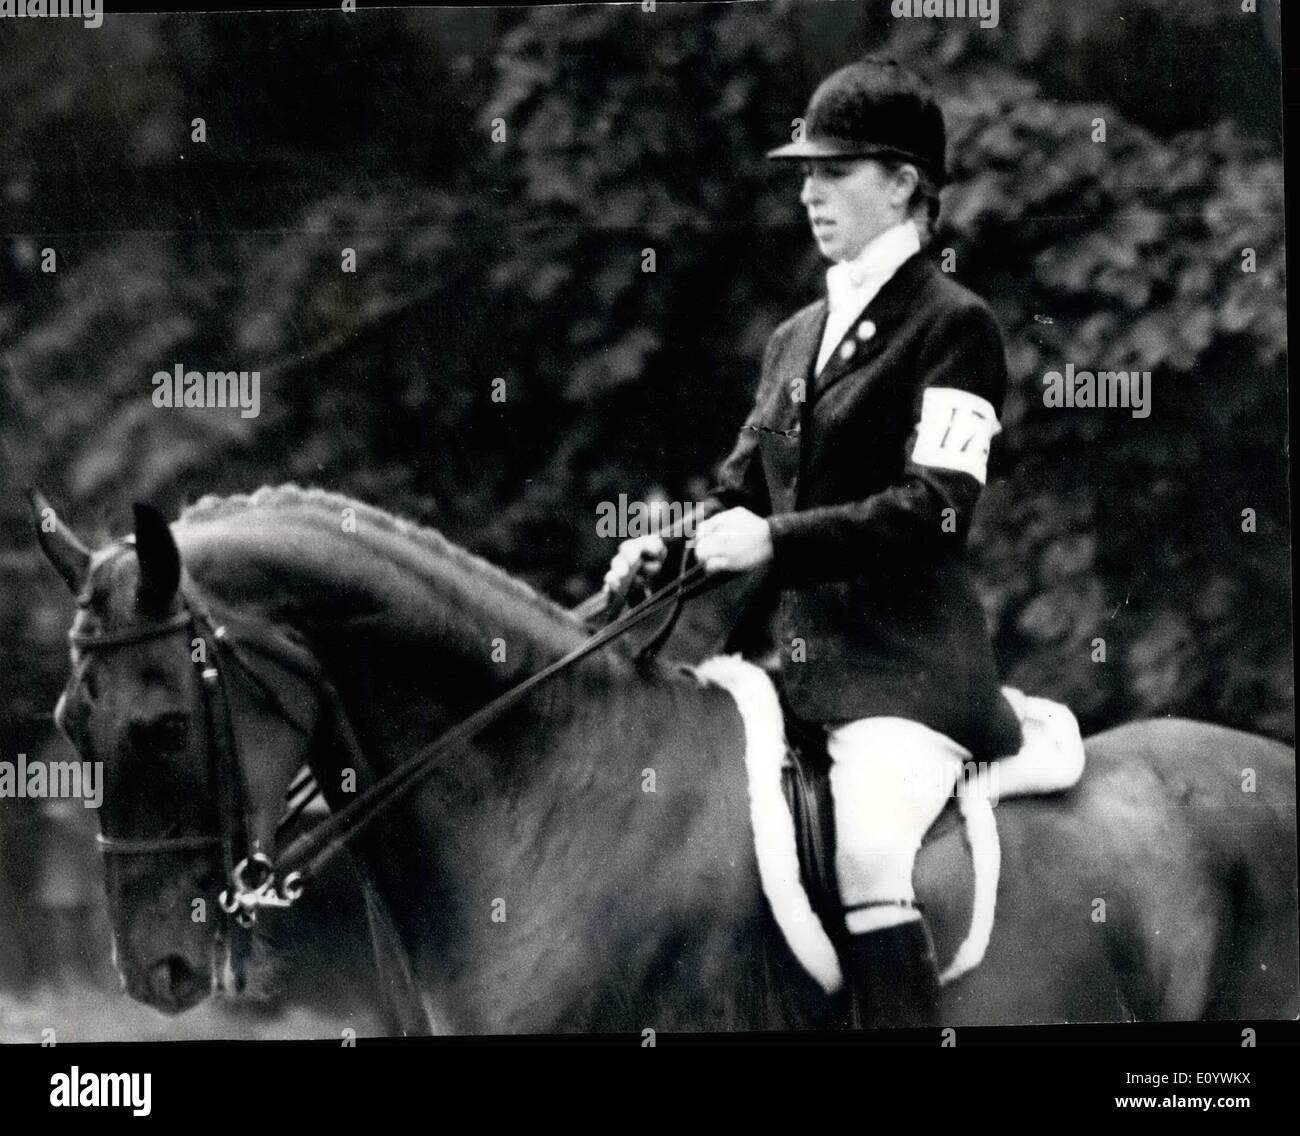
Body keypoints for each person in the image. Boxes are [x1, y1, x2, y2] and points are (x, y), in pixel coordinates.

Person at [605, 57, 1021, 1028]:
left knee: (871, 847)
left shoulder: (956, 325)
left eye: (831, 171)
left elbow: (938, 506)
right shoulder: (795, 335)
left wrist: (775, 542)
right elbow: (734, 493)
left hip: (903, 673)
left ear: (903, 182)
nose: (806, 191)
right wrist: (663, 547)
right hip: (782, 672)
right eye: (804, 172)